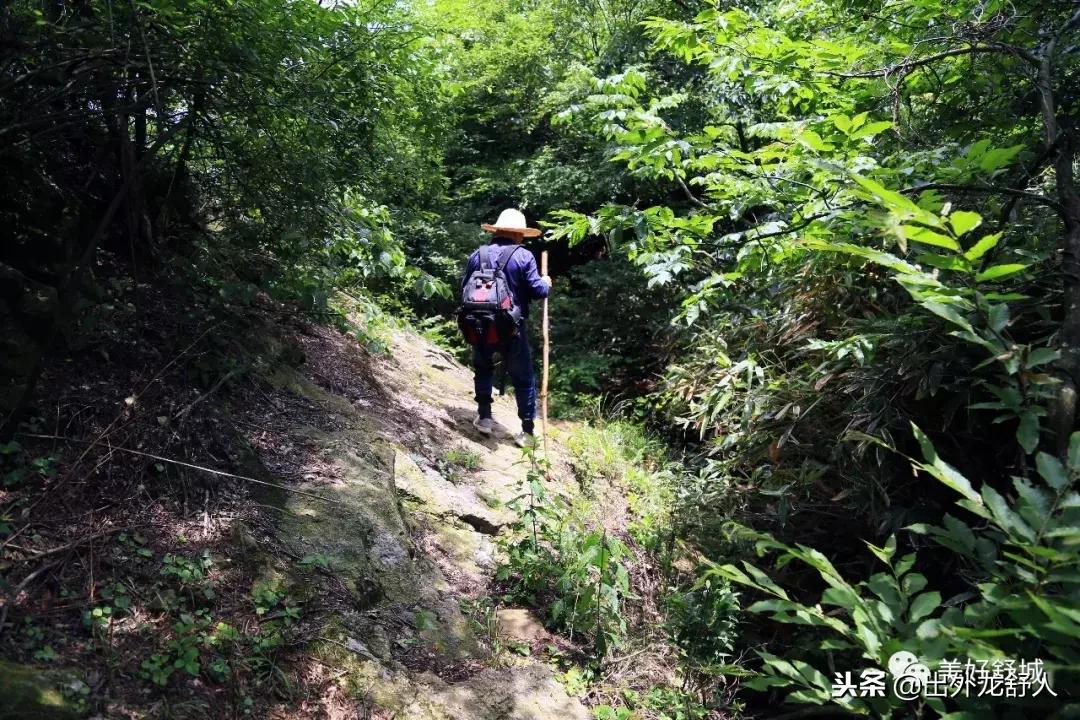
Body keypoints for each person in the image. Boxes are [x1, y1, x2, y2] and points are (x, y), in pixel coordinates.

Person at [462, 208, 551, 447]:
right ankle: (527, 431)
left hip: (480, 324)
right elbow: (539, 291)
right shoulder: (524, 256)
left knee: (483, 369)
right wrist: (546, 282)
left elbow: (464, 290)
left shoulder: (476, 255)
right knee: (523, 378)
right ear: (519, 235)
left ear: (497, 231)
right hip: (512, 327)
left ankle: (484, 418)